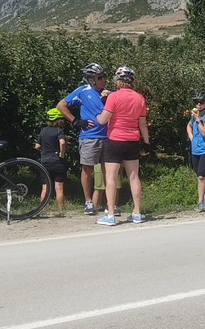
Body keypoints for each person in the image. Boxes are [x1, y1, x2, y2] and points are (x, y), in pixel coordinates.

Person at [95, 67, 150, 226]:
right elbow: (142, 124)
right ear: (132, 81)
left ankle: (111, 215)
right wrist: (146, 142)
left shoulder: (113, 96)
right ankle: (137, 213)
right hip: (132, 140)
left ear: (118, 81)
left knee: (111, 178)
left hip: (114, 140)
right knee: (134, 177)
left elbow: (103, 120)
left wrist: (99, 114)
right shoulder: (140, 98)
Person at [56, 63, 109, 215]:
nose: (103, 79)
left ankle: (109, 203)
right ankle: (88, 202)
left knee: (108, 171)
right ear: (91, 80)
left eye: (104, 76)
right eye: (99, 77)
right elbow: (61, 105)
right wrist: (75, 121)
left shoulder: (108, 93)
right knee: (87, 169)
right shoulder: (82, 91)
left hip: (108, 136)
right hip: (89, 137)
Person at [187, 92, 205, 211]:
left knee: (200, 176)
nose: (198, 105)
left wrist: (198, 120)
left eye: (201, 102)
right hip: (195, 151)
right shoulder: (194, 117)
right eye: (196, 103)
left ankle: (200, 202)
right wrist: (192, 138)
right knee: (203, 177)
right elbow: (188, 126)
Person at [35, 108, 67, 210]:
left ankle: (42, 209)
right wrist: (62, 153)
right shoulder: (59, 130)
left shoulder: (43, 131)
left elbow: (37, 146)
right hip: (56, 161)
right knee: (59, 188)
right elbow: (62, 142)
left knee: (45, 187)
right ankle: (61, 209)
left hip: (44, 161)